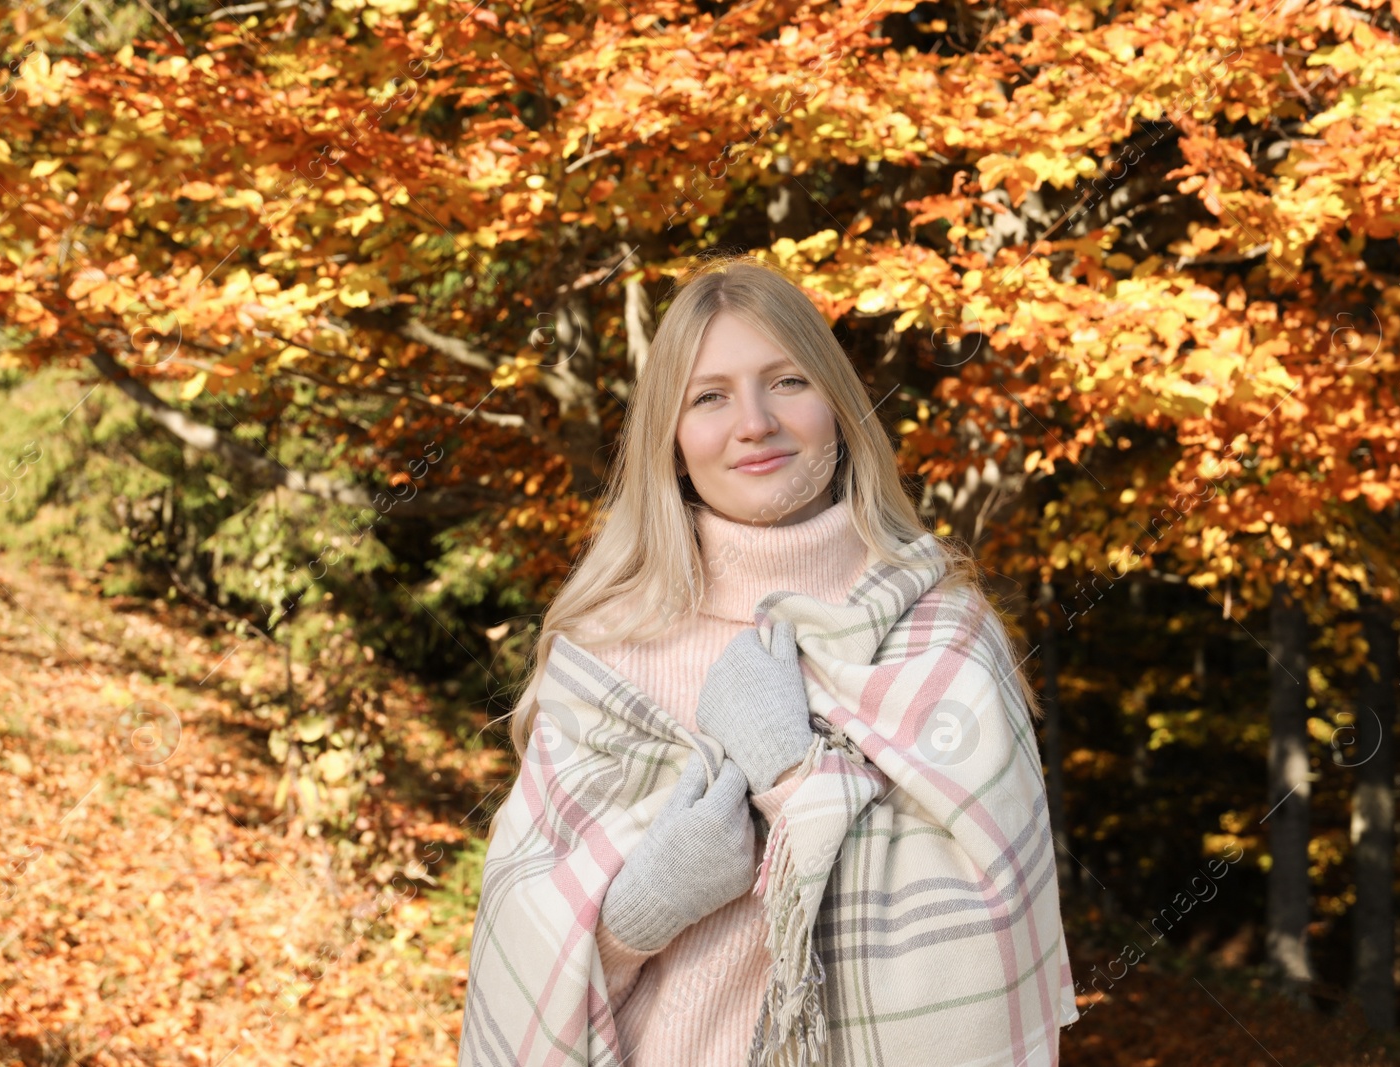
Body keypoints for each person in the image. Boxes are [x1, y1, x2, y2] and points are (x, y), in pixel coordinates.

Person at [461, 255, 1075, 1067]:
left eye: (786, 382)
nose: (754, 421)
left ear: (838, 406)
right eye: (709, 396)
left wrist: (793, 775)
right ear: (673, 441)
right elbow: (518, 949)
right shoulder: (609, 648)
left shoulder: (944, 632)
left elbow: (994, 918)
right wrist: (639, 911)